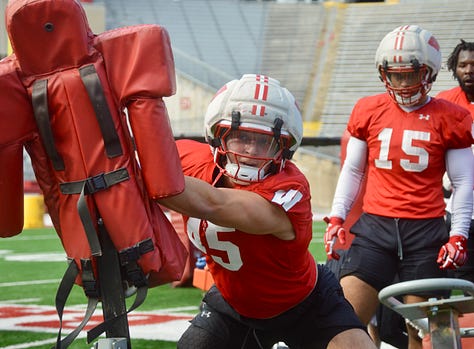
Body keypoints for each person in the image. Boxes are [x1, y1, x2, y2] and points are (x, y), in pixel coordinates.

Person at [157, 74, 377, 348]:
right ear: (218, 135)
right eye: (240, 137)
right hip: (232, 303)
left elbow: (215, 204)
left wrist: (156, 176)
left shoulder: (291, 187)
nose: (250, 150)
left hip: (306, 303)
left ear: (284, 147)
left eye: (264, 141)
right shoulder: (189, 160)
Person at [324, 25, 474, 349]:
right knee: (344, 322)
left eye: (411, 74)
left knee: (424, 332)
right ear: (383, 73)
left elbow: (463, 183)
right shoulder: (368, 109)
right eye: (396, 75)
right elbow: (353, 170)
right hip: (376, 229)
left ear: (429, 72)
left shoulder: (452, 116)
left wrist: (458, 234)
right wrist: (337, 217)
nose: (403, 83)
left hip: (425, 232)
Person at [436, 39, 474, 283]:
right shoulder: (444, 103)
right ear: (454, 68)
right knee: (450, 278)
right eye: (463, 65)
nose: (469, 70)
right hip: (454, 204)